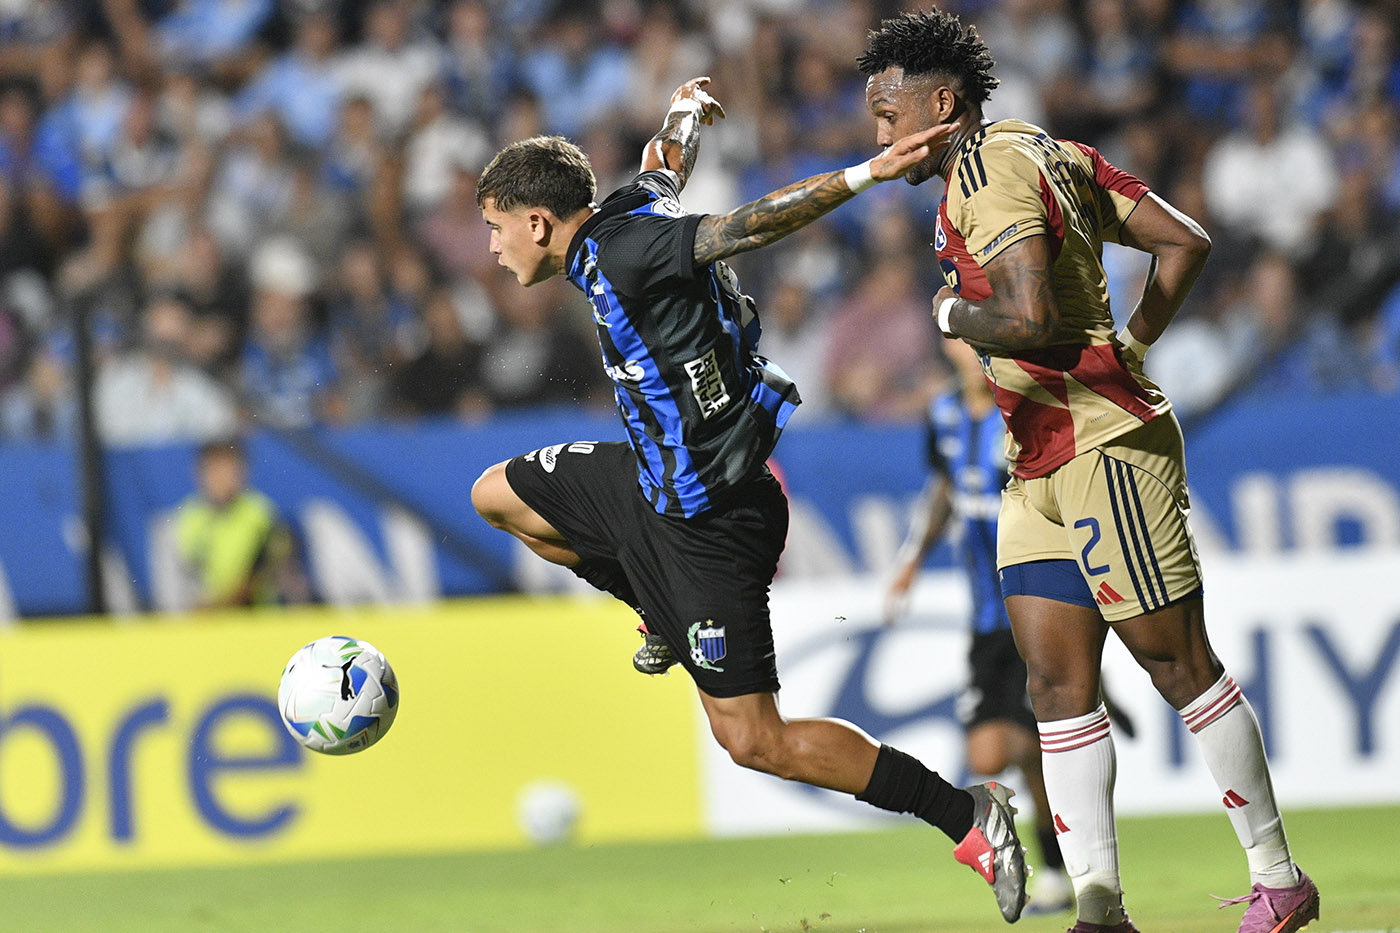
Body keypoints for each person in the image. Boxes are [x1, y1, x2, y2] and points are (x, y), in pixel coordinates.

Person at [471, 77, 1030, 923]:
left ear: (537, 222)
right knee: (499, 494)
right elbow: (664, 165)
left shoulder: (627, 253)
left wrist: (866, 174)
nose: (491, 247)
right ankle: (655, 609)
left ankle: (966, 813)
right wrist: (685, 114)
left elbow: (744, 226)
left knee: (752, 741)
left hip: (714, 518)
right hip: (651, 485)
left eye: (494, 229)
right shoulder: (621, 219)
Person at [856, 10, 1317, 933]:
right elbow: (1184, 240)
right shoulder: (1050, 150)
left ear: (941, 104)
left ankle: (1278, 876)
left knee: (1173, 660)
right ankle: (1100, 909)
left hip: (1102, 443)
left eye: (886, 113)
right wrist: (1138, 338)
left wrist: (949, 317)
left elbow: (1028, 319)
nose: (878, 138)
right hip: (1036, 460)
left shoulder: (990, 170)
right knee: (1055, 688)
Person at [885, 338, 1074, 916]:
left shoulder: (1018, 409)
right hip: (983, 617)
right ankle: (1062, 861)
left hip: (1033, 603)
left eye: (973, 340)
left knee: (996, 753)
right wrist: (913, 559)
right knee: (1000, 756)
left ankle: (1065, 870)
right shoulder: (941, 413)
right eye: (956, 340)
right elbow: (944, 488)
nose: (966, 351)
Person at [174, 439, 307, 609]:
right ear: (199, 473)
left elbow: (260, 576)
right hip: (206, 620)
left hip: (256, 620)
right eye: (214, 471)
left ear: (242, 473)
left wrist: (217, 607)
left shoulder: (260, 514)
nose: (221, 480)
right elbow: (186, 577)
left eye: (229, 471)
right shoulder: (188, 518)